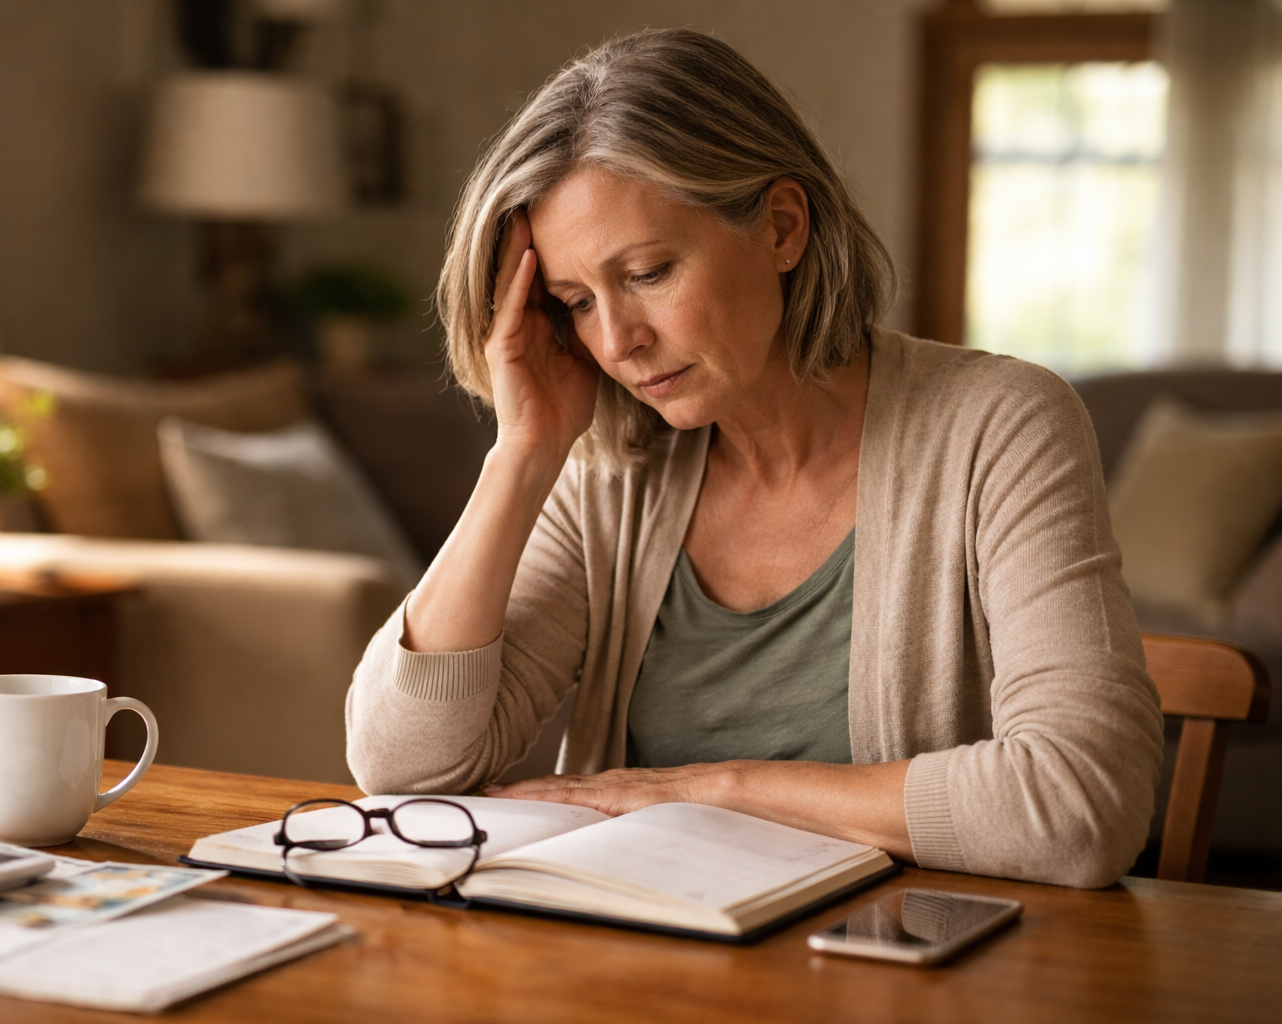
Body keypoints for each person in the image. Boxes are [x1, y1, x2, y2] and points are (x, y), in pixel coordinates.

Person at [344, 28, 1163, 888]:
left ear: (781, 226)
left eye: (651, 272)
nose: (618, 341)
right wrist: (524, 453)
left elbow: (1082, 806)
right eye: (576, 301)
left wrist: (713, 789)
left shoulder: (998, 427)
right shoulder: (612, 473)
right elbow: (404, 769)